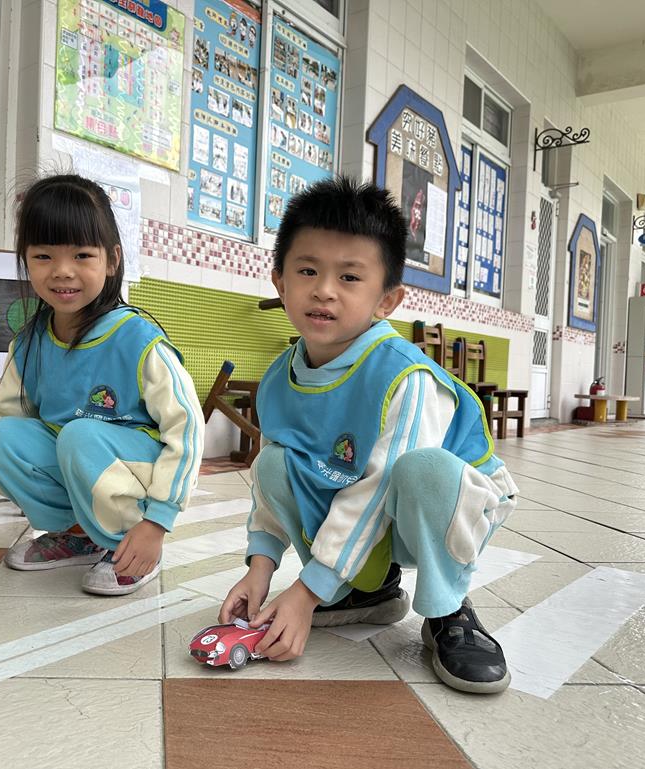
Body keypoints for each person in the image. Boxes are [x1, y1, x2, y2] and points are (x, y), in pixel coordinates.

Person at [218, 177, 518, 693]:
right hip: (368, 502)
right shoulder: (279, 379)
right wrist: (260, 568)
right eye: (307, 270)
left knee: (422, 468)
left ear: (387, 300)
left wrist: (307, 592)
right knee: (274, 463)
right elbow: (270, 489)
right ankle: (367, 591)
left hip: (451, 508)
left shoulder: (404, 376)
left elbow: (379, 490)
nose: (324, 290)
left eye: (350, 277)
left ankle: (449, 610)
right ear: (280, 282)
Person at [0, 174, 204, 597]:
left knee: (80, 435)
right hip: (80, 457)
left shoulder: (137, 340)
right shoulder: (30, 343)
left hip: (136, 475)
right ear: (25, 260)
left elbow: (186, 429)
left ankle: (129, 545)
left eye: (82, 255)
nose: (62, 271)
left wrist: (158, 521)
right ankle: (80, 535)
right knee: (3, 438)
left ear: (112, 260)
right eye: (44, 255)